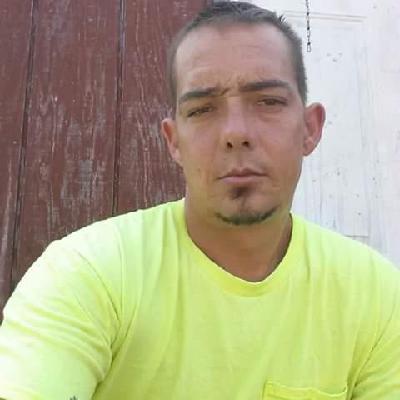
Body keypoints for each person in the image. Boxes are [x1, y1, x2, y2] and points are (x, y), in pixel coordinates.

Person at [0, 1, 399, 399]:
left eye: (268, 101)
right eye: (203, 109)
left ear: (310, 129)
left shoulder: (374, 294)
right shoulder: (86, 273)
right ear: (174, 142)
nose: (236, 133)